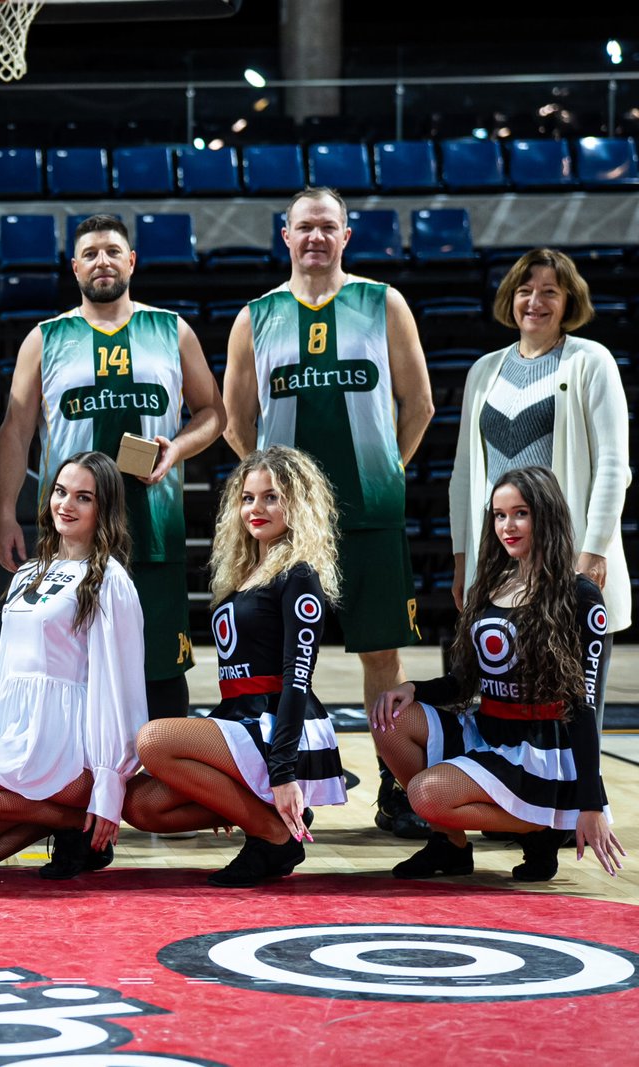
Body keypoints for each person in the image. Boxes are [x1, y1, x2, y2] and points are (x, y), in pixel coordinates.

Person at [223, 187, 435, 838]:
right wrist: (275, 492)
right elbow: (234, 421)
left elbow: (420, 404)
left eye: (327, 226)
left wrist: (386, 469)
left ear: (347, 235)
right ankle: (289, 777)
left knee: (381, 657)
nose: (315, 236)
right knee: (281, 656)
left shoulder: (383, 303)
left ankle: (396, 787)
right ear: (285, 236)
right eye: (304, 226)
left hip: (369, 515)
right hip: (288, 530)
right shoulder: (255, 316)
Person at [0, 214, 223, 722]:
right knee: (71, 672)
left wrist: (177, 448)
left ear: (131, 261)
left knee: (161, 673)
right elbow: (15, 431)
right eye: (91, 254)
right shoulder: (45, 338)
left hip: (154, 526)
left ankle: (163, 770)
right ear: (75, 267)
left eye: (113, 251)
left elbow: (214, 413)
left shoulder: (171, 330)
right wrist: (6, 514)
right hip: (71, 540)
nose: (103, 261)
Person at [372, 466, 623, 882]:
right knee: (388, 717)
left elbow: (583, 706)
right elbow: (463, 683)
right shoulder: (490, 585)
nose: (508, 526)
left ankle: (544, 826)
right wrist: (412, 688)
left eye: (520, 513)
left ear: (546, 516)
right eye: (499, 515)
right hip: (488, 731)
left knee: (424, 793)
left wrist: (590, 803)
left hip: (537, 750)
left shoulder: (580, 595)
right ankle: (450, 846)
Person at [122, 446, 348, 887]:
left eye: (271, 497)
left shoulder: (299, 575)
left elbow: (296, 681)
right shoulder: (245, 572)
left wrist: (283, 771)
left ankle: (274, 838)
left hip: (278, 726)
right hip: (240, 718)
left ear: (299, 503)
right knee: (142, 805)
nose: (255, 509)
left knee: (154, 739)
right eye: (248, 498)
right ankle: (261, 820)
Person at [0, 451, 147, 880]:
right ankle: (73, 825)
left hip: (72, 749)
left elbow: (121, 687)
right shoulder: (28, 572)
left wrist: (108, 781)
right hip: (21, 738)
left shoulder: (109, 579)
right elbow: (7, 675)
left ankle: (84, 816)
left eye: (83, 497)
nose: (66, 504)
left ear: (104, 508)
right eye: (61, 492)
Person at [449, 249, 630, 726]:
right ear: (510, 298)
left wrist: (594, 551)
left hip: (565, 555)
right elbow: (464, 473)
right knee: (502, 700)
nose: (535, 302)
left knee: (574, 708)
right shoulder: (483, 370)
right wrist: (463, 557)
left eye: (550, 291)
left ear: (569, 301)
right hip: (499, 560)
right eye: (525, 291)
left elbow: (614, 466)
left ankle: (582, 779)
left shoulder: (591, 361)